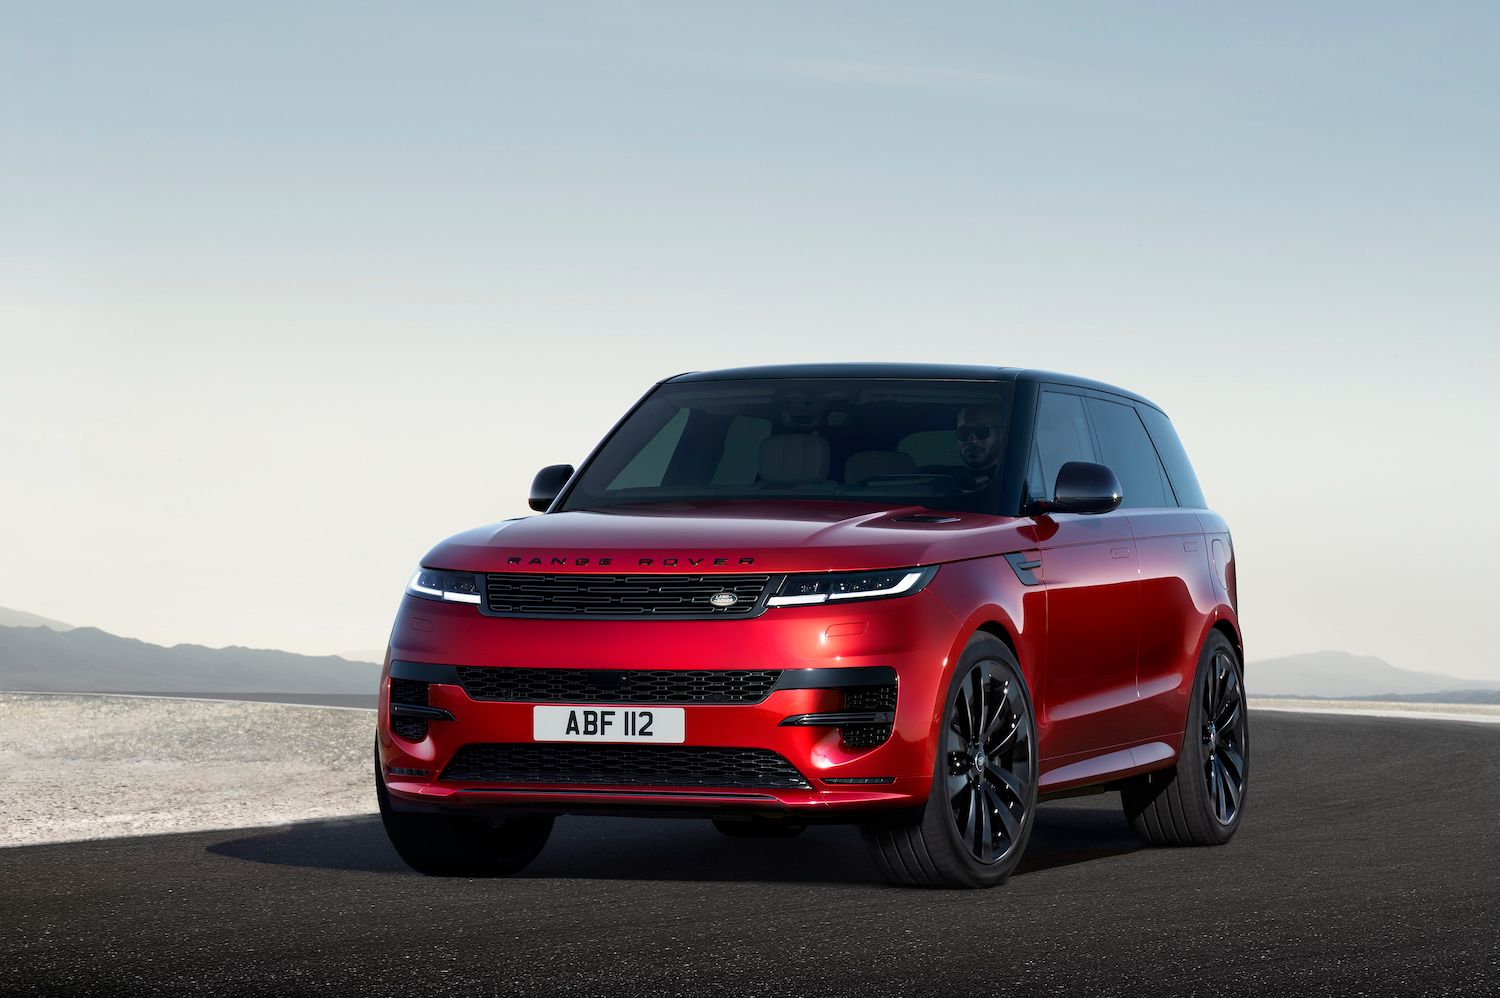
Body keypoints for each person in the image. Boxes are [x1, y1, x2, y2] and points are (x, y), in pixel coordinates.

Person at [954, 404, 1004, 492]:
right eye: (963, 432)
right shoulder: (942, 485)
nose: (972, 440)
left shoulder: (1014, 485)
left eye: (981, 431)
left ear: (1000, 434)